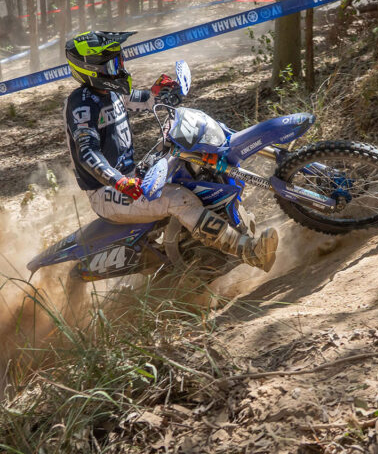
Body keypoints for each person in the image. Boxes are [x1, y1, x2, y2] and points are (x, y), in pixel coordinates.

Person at [63, 30, 278, 275]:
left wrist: (163, 93)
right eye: (112, 63)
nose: (119, 67)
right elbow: (87, 153)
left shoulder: (112, 92)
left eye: (119, 61)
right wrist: (118, 181)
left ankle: (219, 228)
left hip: (133, 173)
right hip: (107, 191)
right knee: (177, 199)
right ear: (92, 69)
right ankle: (249, 251)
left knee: (191, 159)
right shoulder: (81, 104)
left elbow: (144, 100)